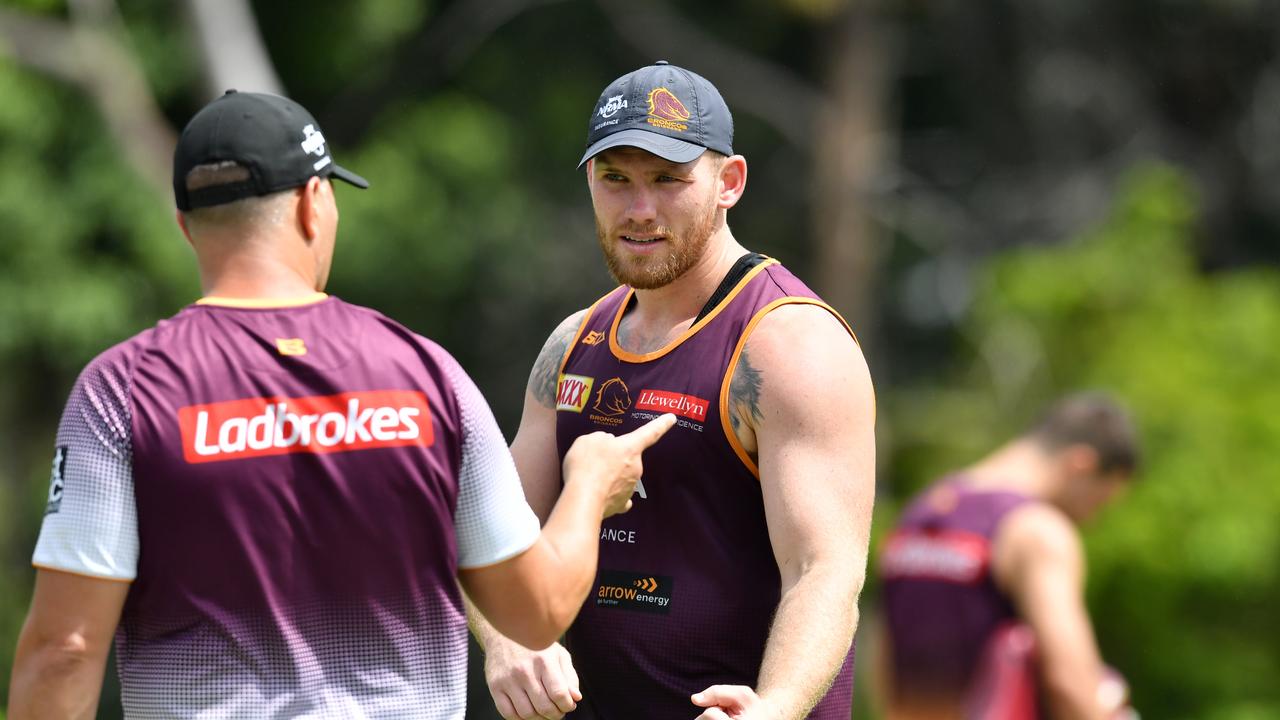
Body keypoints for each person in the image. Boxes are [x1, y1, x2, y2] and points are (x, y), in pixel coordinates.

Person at [7, 89, 675, 719]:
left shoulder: (120, 389)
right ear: (313, 204)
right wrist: (589, 484)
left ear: (185, 226)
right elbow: (534, 612)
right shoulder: (426, 375)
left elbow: (65, 649)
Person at [468, 61, 877, 719]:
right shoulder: (573, 344)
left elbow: (824, 571)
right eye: (616, 179)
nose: (639, 210)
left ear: (729, 183)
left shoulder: (788, 343)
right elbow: (492, 535)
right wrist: (508, 638)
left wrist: (775, 707)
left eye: (668, 180)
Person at [875, 392, 1141, 720]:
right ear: (1080, 464)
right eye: (1098, 502)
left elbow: (883, 667)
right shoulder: (1036, 531)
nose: (1091, 520)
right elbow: (1069, 686)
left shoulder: (918, 515)